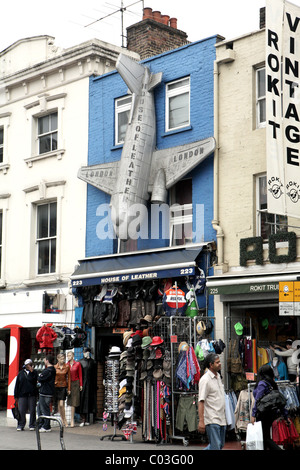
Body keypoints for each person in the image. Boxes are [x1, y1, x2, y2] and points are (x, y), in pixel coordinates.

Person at [251, 364, 289, 451]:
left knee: (265, 438)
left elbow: (257, 400)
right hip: (271, 414)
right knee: (264, 438)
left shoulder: (262, 384)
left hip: (262, 414)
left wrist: (253, 414)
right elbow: (279, 401)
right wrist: (286, 416)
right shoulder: (272, 384)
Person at [198, 353, 227, 450]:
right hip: (212, 418)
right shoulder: (205, 380)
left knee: (220, 445)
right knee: (216, 447)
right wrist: (201, 421)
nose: (220, 364)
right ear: (211, 365)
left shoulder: (218, 376)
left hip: (221, 418)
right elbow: (201, 401)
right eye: (217, 362)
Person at [14, 359, 38, 431]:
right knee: (21, 410)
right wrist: (16, 395)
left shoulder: (34, 373)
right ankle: (21, 424)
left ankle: (32, 424)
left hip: (32, 394)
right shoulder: (21, 373)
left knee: (32, 409)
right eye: (28, 365)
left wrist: (31, 372)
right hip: (22, 394)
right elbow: (17, 384)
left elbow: (34, 381)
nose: (29, 366)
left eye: (31, 365)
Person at [37, 354, 56, 432]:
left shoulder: (48, 370)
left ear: (47, 361)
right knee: (39, 408)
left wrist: (40, 377)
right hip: (47, 392)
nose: (44, 361)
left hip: (45, 392)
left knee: (44, 409)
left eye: (45, 359)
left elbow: (40, 378)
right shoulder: (52, 370)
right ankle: (41, 424)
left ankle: (46, 426)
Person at [79, 347, 97, 426]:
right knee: (82, 401)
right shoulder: (80, 362)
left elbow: (95, 374)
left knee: (90, 400)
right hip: (83, 384)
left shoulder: (93, 362)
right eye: (84, 352)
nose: (85, 353)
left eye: (87, 352)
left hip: (90, 384)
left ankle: (88, 418)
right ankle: (83, 418)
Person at [67, 350, 83, 427]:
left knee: (74, 402)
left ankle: (72, 420)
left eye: (70, 355)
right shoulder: (66, 365)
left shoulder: (77, 364)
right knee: (70, 401)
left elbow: (80, 374)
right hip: (69, 383)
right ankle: (68, 420)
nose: (69, 357)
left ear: (73, 356)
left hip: (75, 383)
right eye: (68, 355)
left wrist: (81, 384)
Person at [54, 353, 71, 427]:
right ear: (58, 359)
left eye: (63, 358)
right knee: (59, 404)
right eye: (61, 359)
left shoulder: (67, 367)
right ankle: (62, 419)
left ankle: (64, 420)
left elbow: (69, 378)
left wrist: (69, 388)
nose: (62, 360)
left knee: (62, 404)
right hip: (56, 386)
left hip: (63, 386)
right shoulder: (55, 367)